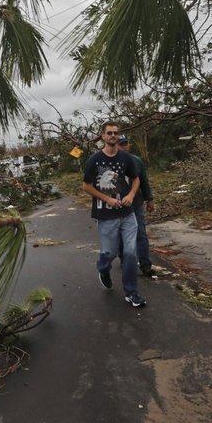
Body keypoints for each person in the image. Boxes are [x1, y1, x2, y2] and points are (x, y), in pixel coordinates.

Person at [82, 121, 147, 308]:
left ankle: (132, 293)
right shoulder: (94, 160)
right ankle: (103, 268)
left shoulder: (126, 159)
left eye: (116, 133)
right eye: (109, 133)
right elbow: (86, 186)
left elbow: (136, 179)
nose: (113, 135)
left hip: (128, 214)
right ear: (102, 136)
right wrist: (107, 198)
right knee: (109, 252)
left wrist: (132, 194)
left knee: (130, 252)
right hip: (106, 215)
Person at [117, 135, 155, 278]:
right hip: (119, 205)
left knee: (140, 233)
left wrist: (149, 199)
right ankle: (124, 261)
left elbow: (144, 181)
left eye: (125, 143)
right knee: (120, 234)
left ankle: (145, 265)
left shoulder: (137, 161)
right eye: (121, 144)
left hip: (136, 203)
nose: (124, 146)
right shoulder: (111, 162)